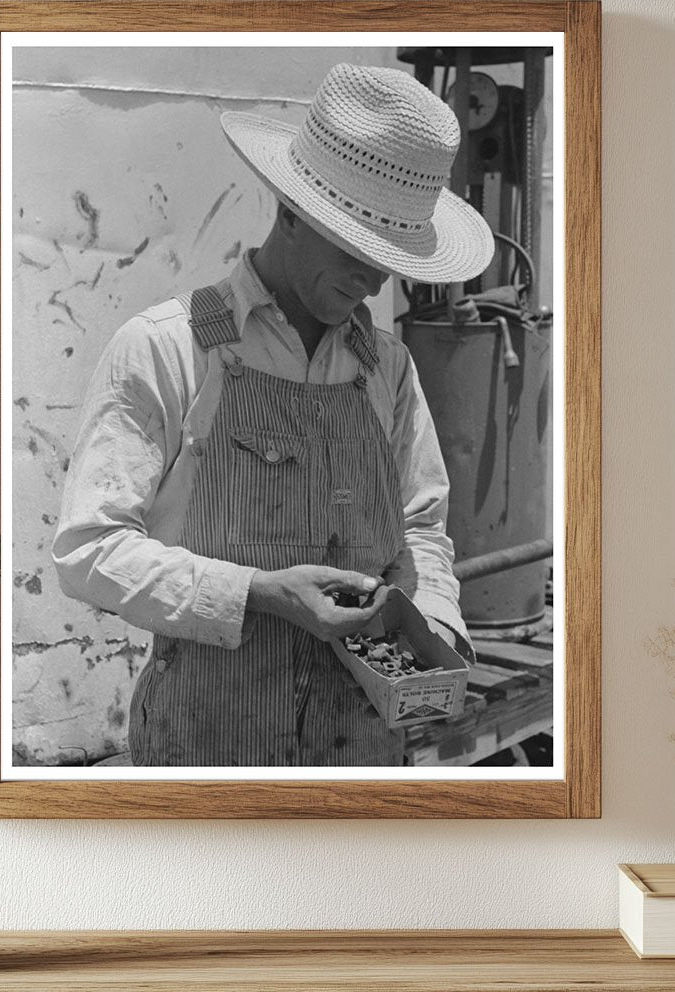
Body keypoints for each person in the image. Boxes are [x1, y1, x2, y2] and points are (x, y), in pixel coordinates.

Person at [52, 62, 494, 767]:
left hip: (360, 751)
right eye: (355, 251)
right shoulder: (167, 349)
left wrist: (432, 632)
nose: (373, 280)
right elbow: (88, 550)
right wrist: (255, 592)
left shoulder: (390, 369)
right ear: (290, 210)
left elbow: (422, 529)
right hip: (205, 749)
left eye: (390, 261)